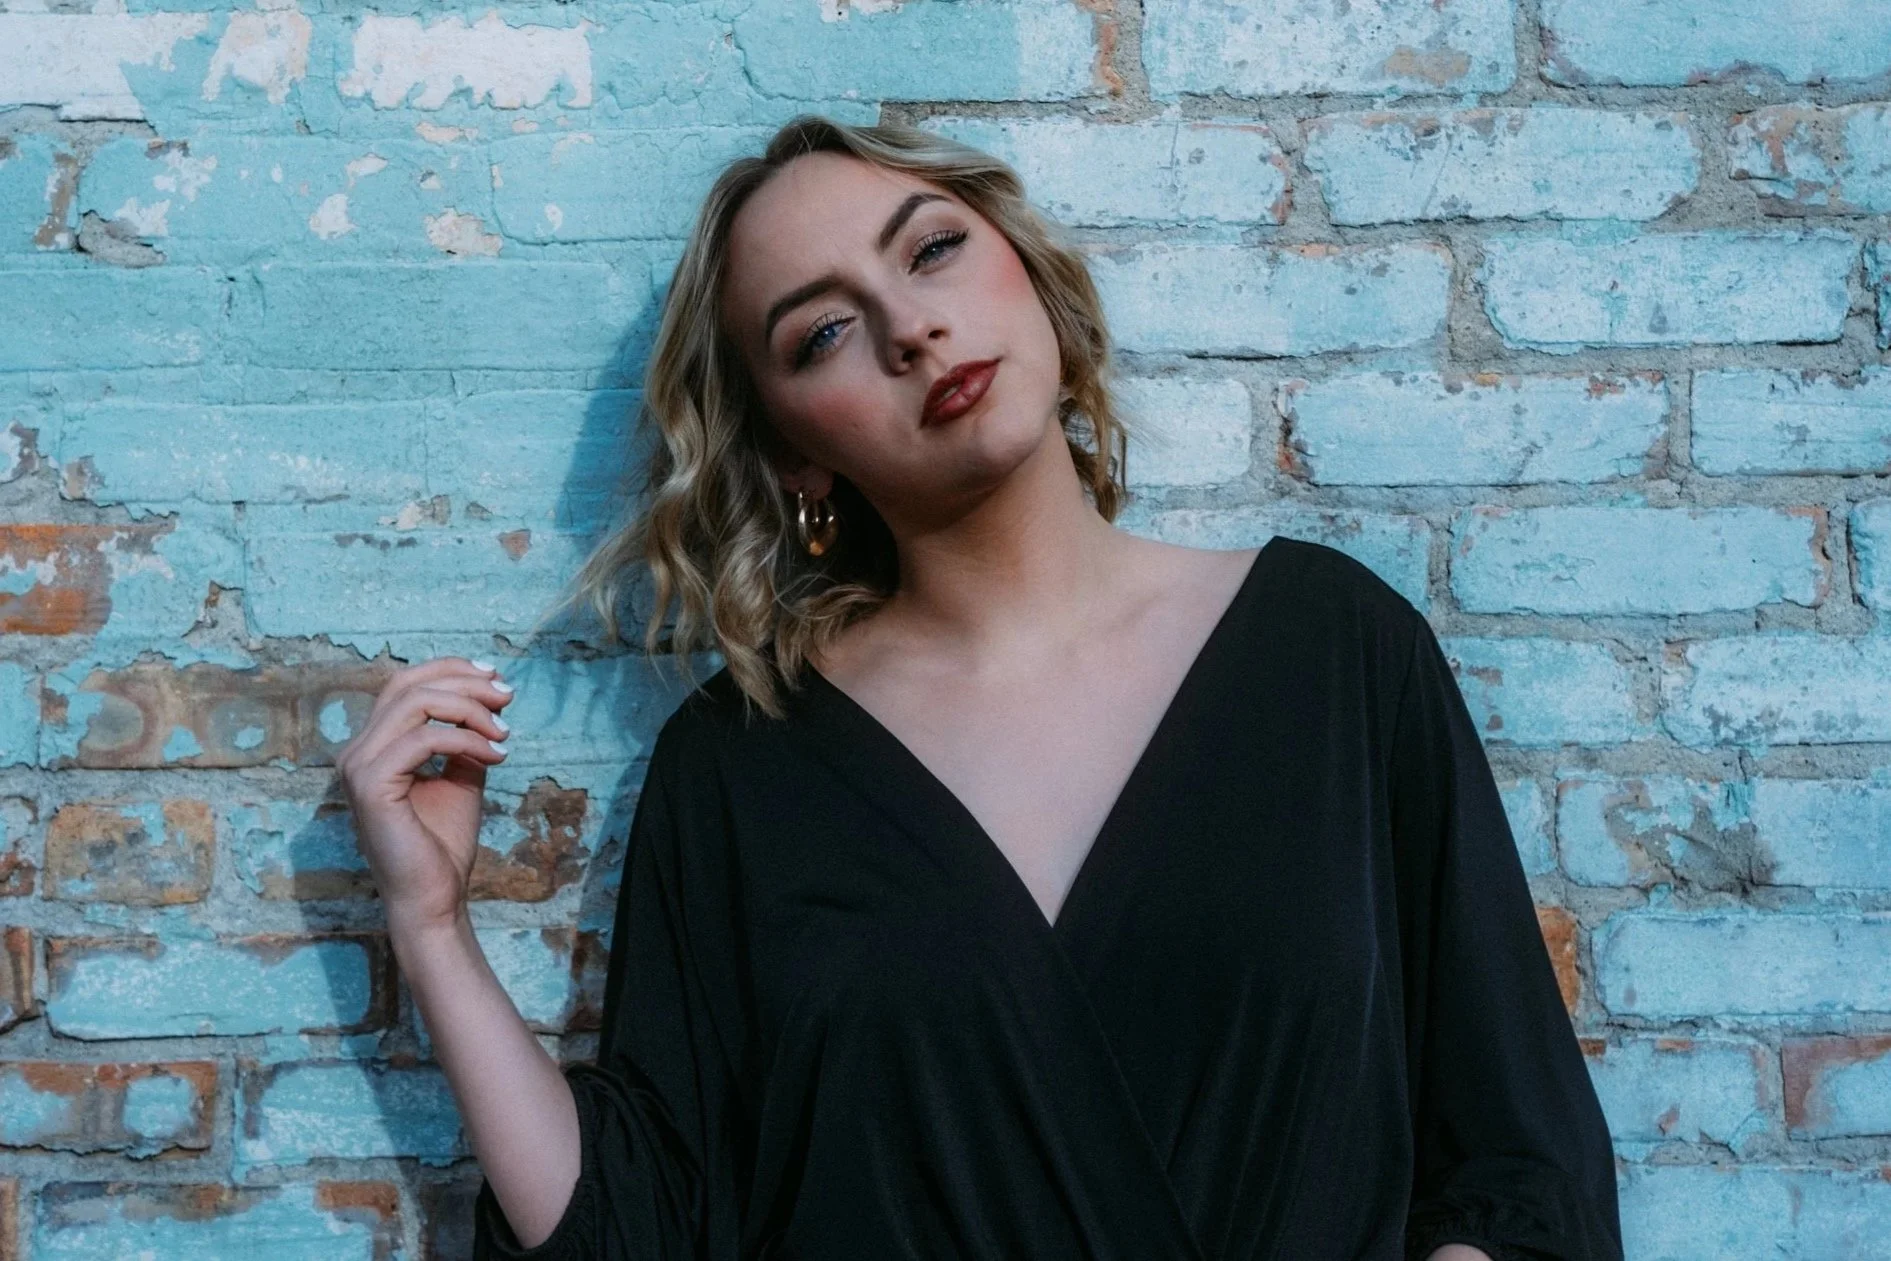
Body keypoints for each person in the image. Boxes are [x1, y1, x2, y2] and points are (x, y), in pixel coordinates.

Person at [337, 115, 1623, 1260]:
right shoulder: (739, 767)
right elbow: (643, 1226)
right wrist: (433, 924)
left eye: (933, 249)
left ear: (1027, 272)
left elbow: (1518, 1161)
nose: (910, 329)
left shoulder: (1334, 651)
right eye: (824, 331)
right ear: (795, 455)